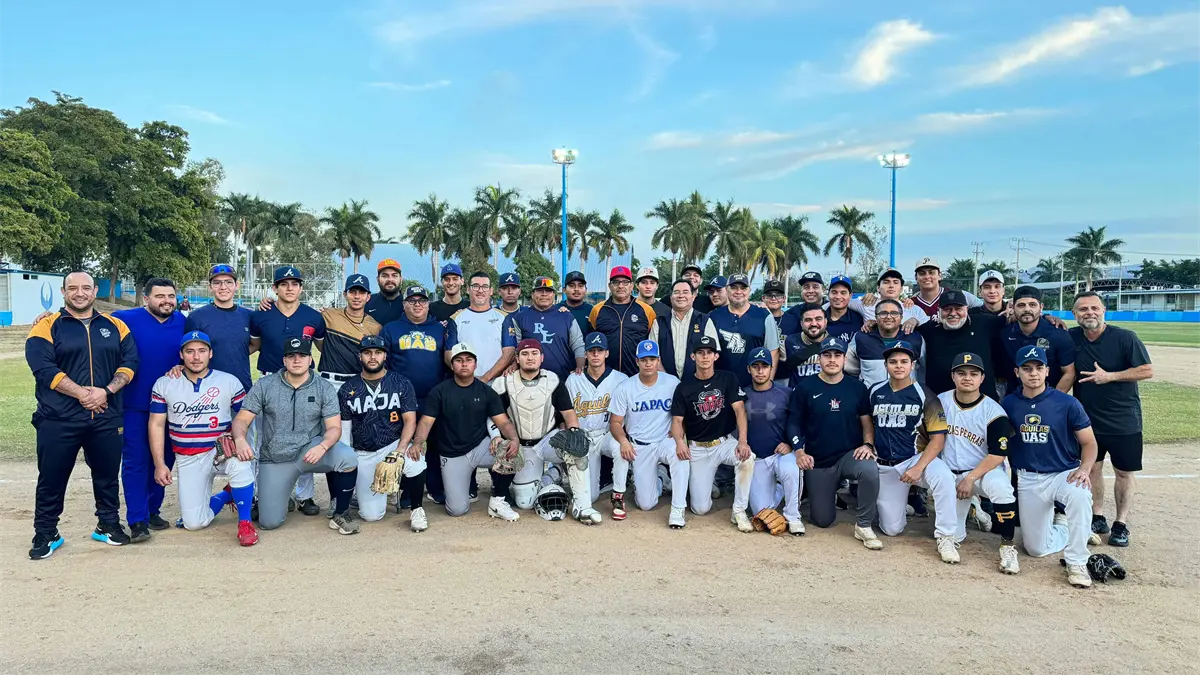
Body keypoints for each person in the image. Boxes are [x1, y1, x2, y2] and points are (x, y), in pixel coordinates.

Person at [26, 272, 139, 559]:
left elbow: (130, 362)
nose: (80, 293)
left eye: (86, 288)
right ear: (63, 292)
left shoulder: (115, 325)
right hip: (58, 418)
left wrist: (106, 391)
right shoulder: (46, 326)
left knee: (107, 476)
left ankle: (108, 524)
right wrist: (82, 394)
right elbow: (43, 368)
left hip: (106, 416)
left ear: (94, 291)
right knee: (52, 478)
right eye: (73, 288)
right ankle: (46, 532)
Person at [231, 336, 359, 533]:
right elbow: (242, 419)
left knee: (348, 457)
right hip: (275, 457)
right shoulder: (265, 385)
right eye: (291, 356)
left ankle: (341, 513)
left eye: (302, 355)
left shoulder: (323, 387)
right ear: (284, 360)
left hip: (310, 451)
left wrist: (322, 446)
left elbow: (334, 427)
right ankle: (281, 496)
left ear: (310, 359)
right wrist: (240, 439)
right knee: (269, 522)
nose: (297, 360)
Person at [1002, 346, 1099, 588]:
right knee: (1035, 549)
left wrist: (1084, 469)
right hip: (1028, 478)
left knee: (1080, 494)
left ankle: (1077, 561)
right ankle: (1068, 529)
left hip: (1064, 473)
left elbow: (1089, 443)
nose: (1033, 373)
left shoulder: (1067, 403)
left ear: (1047, 371)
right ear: (1017, 372)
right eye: (1026, 368)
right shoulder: (1009, 403)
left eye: (1038, 368)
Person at [148, 331, 257, 546]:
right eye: (190, 351)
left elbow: (245, 415)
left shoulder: (228, 381)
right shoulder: (165, 383)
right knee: (194, 523)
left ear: (210, 353)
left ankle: (245, 522)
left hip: (220, 450)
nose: (196, 357)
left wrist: (239, 437)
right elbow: (156, 424)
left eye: (202, 351)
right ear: (181, 355)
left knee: (241, 463)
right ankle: (226, 495)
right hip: (187, 457)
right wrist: (159, 464)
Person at [1070, 291, 1153, 548]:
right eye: (1083, 309)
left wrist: (1110, 376)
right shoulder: (1071, 337)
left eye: (1094, 308)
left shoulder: (1125, 337)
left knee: (1124, 472)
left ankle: (1121, 523)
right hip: (1087, 420)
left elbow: (1147, 370)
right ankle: (1097, 516)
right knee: (1092, 468)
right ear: (1074, 314)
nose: (1089, 313)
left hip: (1123, 419)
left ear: (1104, 311)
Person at [489, 339, 602, 524]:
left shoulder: (553, 380)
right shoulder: (504, 383)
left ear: (542, 357)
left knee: (577, 447)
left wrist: (574, 431)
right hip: (521, 446)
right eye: (525, 354)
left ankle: (583, 506)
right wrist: (496, 436)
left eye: (534, 353)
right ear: (517, 358)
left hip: (547, 440)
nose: (530, 358)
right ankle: (553, 474)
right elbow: (494, 417)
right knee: (525, 503)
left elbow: (568, 413)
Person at [786, 337, 882, 550]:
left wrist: (867, 445)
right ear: (819, 358)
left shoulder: (856, 387)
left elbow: (866, 422)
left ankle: (864, 524)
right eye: (827, 355)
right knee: (822, 520)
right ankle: (827, 491)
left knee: (869, 469)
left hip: (849, 455)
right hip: (819, 460)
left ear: (844, 359)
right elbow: (793, 423)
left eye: (837, 355)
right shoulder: (805, 387)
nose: (832, 360)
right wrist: (799, 451)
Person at [407, 344, 523, 520]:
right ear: (452, 365)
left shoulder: (486, 391)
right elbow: (425, 422)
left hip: (480, 448)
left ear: (475, 364)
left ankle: (498, 501)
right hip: (452, 454)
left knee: (511, 450)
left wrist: (514, 438)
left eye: (468, 360)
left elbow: (503, 422)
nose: (464, 364)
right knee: (456, 510)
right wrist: (418, 441)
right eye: (459, 360)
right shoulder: (439, 391)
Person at [868, 342, 960, 563]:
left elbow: (938, 438)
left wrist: (919, 467)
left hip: (916, 458)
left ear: (913, 365)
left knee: (944, 477)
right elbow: (868, 424)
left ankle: (947, 536)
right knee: (891, 529)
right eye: (893, 362)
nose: (898, 366)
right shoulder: (874, 391)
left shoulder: (925, 394)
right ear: (886, 365)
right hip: (885, 464)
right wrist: (867, 444)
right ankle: (902, 507)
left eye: (904, 361)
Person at [113, 278, 187, 540]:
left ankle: (153, 509)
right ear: (146, 299)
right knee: (136, 461)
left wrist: (182, 365)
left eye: (171, 296)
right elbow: (87, 319)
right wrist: (49, 316)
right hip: (134, 404)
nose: (166, 301)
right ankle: (137, 520)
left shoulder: (183, 322)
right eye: (160, 296)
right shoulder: (125, 318)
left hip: (171, 407)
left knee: (165, 459)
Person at [253, 267, 329, 515]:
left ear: (301, 288)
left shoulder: (313, 316)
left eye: (294, 283)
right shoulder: (261, 314)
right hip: (270, 380)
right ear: (274, 288)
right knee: (265, 439)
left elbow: (323, 347)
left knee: (306, 437)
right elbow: (253, 345)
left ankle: (305, 496)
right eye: (283, 284)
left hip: (304, 381)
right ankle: (262, 494)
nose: (289, 288)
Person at [938, 352, 1020, 574]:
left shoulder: (994, 411)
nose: (967, 378)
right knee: (955, 536)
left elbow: (998, 455)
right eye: (961, 373)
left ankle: (1007, 546)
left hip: (983, 473)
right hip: (951, 474)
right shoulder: (940, 402)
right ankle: (973, 508)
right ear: (953, 376)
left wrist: (970, 478)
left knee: (1002, 488)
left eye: (973, 374)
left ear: (982, 378)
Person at [337, 335, 427, 531]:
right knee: (372, 516)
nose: (372, 357)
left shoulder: (400, 382)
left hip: (393, 443)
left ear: (385, 356)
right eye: (367, 353)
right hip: (364, 451)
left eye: (378, 352)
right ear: (360, 356)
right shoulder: (347, 389)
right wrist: (348, 459)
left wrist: (400, 450)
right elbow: (344, 430)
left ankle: (417, 509)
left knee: (415, 459)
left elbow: (410, 420)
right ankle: (370, 491)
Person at [379, 285, 459, 505]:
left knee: (433, 443)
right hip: (401, 398)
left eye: (422, 301)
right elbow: (383, 363)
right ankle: (407, 491)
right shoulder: (391, 328)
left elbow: (448, 360)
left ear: (428, 304)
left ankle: (435, 487)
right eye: (412, 301)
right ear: (404, 304)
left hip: (433, 396)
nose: (417, 305)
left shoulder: (439, 328)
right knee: (404, 443)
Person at [670, 336, 755, 531]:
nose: (705, 356)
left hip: (723, 443)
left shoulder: (727, 378)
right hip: (698, 447)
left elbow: (740, 410)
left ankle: (739, 511)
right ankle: (710, 484)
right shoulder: (684, 386)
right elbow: (677, 421)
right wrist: (680, 442)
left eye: (709, 352)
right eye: (700, 353)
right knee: (700, 509)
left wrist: (742, 441)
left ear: (716, 356)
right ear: (693, 356)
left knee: (747, 458)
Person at [608, 340, 688, 527]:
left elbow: (683, 414)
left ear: (658, 360)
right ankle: (659, 478)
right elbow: (615, 422)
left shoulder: (672, 382)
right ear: (637, 361)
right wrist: (624, 441)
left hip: (665, 440)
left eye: (652, 359)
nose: (648, 363)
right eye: (644, 360)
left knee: (681, 455)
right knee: (646, 504)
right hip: (640, 444)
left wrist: (680, 434)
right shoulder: (626, 387)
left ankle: (678, 508)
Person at [564, 333, 629, 514]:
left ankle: (618, 495)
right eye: (591, 350)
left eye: (599, 350)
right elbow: (565, 413)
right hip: (583, 438)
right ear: (585, 354)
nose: (595, 354)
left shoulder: (621, 379)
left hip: (607, 434)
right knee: (591, 497)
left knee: (620, 447)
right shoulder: (573, 380)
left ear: (606, 353)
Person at [743, 347, 803, 535]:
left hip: (781, 453)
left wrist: (790, 444)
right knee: (760, 511)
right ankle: (779, 488)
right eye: (756, 366)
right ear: (749, 369)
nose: (760, 371)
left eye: (764, 366)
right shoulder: (742, 394)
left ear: (771, 368)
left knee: (791, 469)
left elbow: (799, 423)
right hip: (758, 459)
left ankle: (793, 516)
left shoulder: (786, 393)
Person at [916, 289, 1005, 398]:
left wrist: (1011, 310)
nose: (953, 313)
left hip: (984, 401)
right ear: (939, 310)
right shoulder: (929, 330)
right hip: (939, 403)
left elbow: (1012, 319)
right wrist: (913, 321)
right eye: (947, 309)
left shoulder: (984, 323)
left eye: (958, 309)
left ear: (967, 309)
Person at [184, 264, 254, 393]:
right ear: (210, 287)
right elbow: (187, 352)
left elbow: (254, 344)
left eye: (228, 282)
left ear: (237, 285)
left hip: (242, 386)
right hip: (208, 391)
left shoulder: (249, 315)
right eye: (217, 283)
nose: (223, 287)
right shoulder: (197, 317)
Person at [504, 276, 585, 381]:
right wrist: (514, 364)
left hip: (562, 378)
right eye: (539, 291)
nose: (544, 294)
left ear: (554, 295)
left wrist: (580, 366)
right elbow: (517, 348)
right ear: (532, 294)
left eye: (548, 291)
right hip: (529, 379)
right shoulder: (520, 317)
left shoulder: (566, 316)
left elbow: (578, 344)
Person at [999, 286, 1076, 393]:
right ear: (1013, 308)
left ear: (1041, 307)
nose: (1027, 309)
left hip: (1049, 395)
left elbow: (1069, 373)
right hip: (1014, 397)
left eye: (1032, 305)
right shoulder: (1004, 333)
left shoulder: (1058, 334)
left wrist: (1053, 399)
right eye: (1021, 305)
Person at [710, 273, 779, 387]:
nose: (738, 292)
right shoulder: (714, 316)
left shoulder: (764, 315)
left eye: (743, 288)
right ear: (727, 290)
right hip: (722, 385)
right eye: (734, 288)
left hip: (754, 386)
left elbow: (773, 351)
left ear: (749, 290)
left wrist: (767, 384)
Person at [589, 266, 657, 376]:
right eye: (616, 282)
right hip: (606, 375)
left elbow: (653, 340)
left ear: (631, 285)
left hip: (637, 375)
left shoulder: (646, 310)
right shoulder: (597, 310)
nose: (620, 286)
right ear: (610, 286)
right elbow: (591, 341)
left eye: (625, 282)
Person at [846, 298, 927, 389]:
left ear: (901, 317)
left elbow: (924, 366)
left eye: (894, 313)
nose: (888, 317)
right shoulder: (861, 337)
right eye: (883, 313)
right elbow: (848, 364)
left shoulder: (915, 338)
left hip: (907, 395)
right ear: (876, 317)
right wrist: (865, 376)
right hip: (869, 395)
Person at [318, 274, 383, 387]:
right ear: (345, 295)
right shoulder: (328, 315)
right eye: (352, 292)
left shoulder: (375, 327)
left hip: (358, 382)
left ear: (368, 297)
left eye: (362, 292)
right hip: (329, 381)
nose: (357, 296)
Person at [453, 271, 518, 382]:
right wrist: (467, 378)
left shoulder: (504, 318)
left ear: (491, 291)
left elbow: (509, 352)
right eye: (475, 286)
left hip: (496, 382)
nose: (480, 290)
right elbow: (449, 353)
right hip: (465, 382)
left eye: (485, 287)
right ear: (468, 289)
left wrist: (485, 378)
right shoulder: (456, 318)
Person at [648, 278, 719, 379]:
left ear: (693, 297)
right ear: (671, 297)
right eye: (676, 292)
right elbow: (653, 355)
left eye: (685, 292)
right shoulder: (659, 322)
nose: (681, 295)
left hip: (697, 382)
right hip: (665, 382)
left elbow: (712, 356)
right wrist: (667, 380)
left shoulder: (704, 320)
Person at [911, 257, 983, 317]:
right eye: (922, 273)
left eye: (931, 272)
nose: (927, 277)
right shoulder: (911, 303)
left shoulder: (957, 294)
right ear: (916, 278)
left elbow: (983, 306)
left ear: (940, 276)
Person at [778, 303, 828, 387]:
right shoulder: (788, 342)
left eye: (818, 319)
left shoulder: (836, 344)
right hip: (797, 393)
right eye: (808, 320)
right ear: (801, 323)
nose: (814, 324)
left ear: (825, 322)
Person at [859, 268, 928, 325]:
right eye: (886, 282)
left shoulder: (913, 310)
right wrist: (867, 296)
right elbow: (851, 298)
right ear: (878, 288)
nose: (891, 286)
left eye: (895, 282)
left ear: (901, 288)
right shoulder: (867, 304)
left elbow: (929, 330)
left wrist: (916, 321)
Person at [824, 275, 865, 345]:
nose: (838, 296)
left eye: (843, 293)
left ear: (850, 295)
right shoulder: (819, 319)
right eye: (834, 292)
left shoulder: (859, 319)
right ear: (828, 294)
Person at [365, 259, 406, 325]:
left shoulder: (409, 304)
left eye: (394, 276)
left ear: (401, 279)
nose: (390, 279)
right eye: (385, 276)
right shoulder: (367, 302)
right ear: (377, 279)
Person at [559, 270, 594, 336]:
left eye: (580, 286)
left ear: (586, 290)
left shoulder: (592, 311)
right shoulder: (556, 310)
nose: (576, 289)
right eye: (572, 286)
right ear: (564, 290)